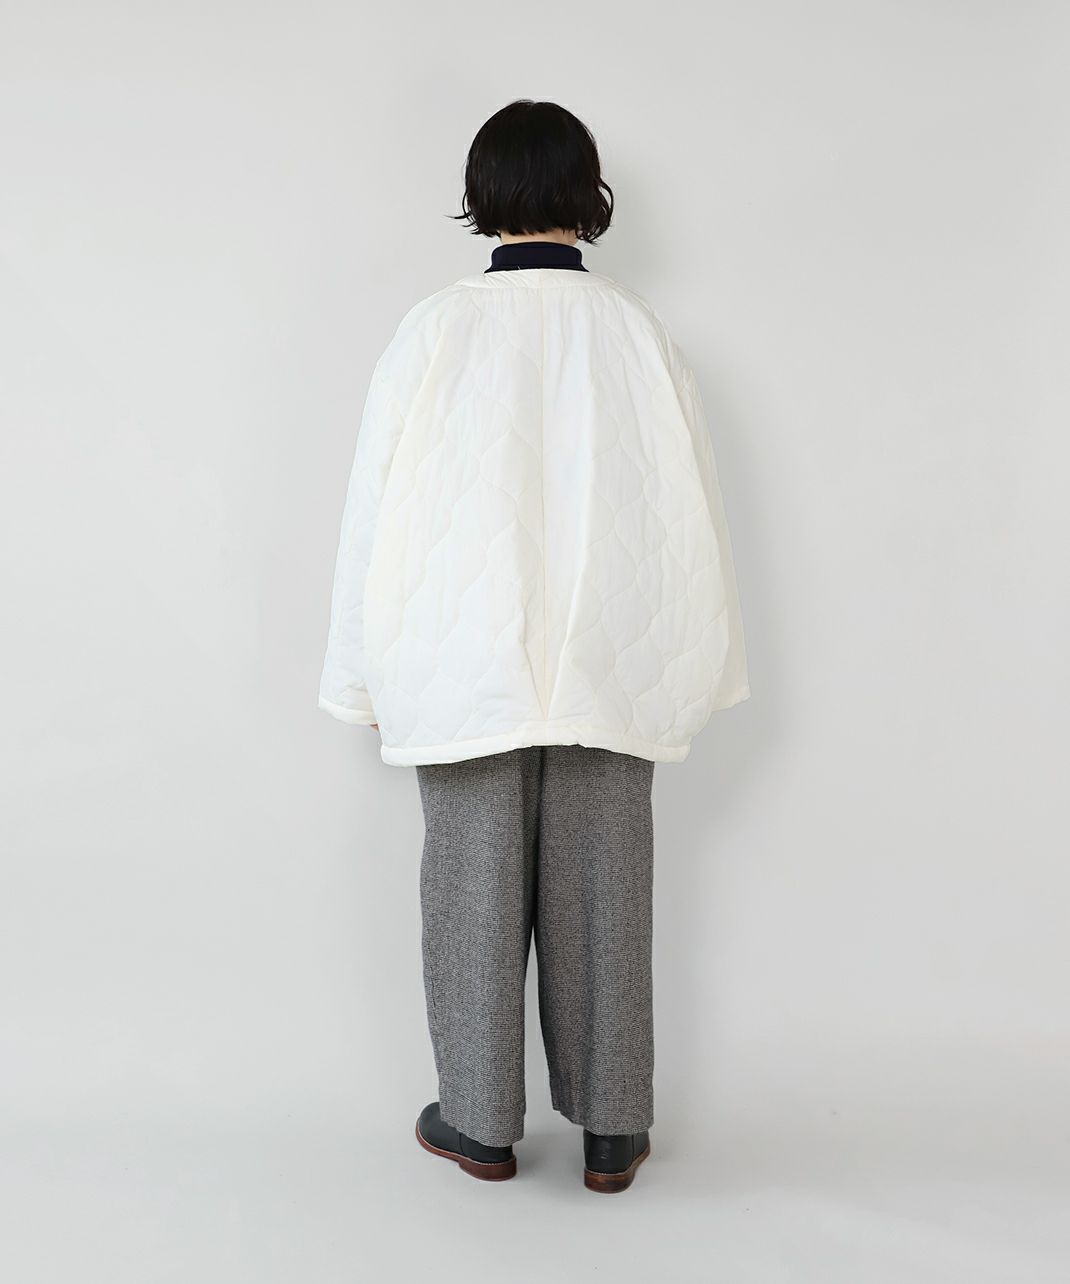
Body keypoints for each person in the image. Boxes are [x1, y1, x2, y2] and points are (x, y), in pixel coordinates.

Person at [318, 99, 749, 1193]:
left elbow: (372, 510)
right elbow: (692, 510)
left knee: (470, 883)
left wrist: (359, 674)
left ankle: (477, 1123)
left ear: (483, 194)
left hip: (463, 656)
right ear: (586, 193)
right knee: (608, 888)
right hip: (613, 655)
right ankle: (613, 1130)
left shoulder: (433, 329)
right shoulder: (640, 333)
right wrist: (700, 662)